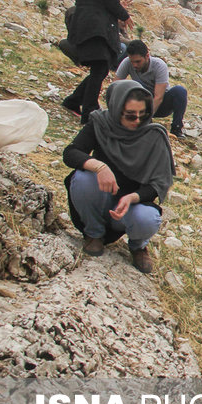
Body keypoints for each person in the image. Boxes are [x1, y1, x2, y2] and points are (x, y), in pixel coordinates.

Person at [62, 80, 174, 274]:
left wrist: (132, 197)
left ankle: (138, 246)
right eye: (130, 116)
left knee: (147, 218)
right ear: (116, 108)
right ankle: (94, 234)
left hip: (129, 208)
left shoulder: (153, 135)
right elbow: (71, 153)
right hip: (101, 198)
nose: (138, 121)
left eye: (144, 114)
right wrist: (99, 166)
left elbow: (158, 185)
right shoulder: (100, 123)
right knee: (82, 178)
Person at [61, 0, 132, 124]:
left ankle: (74, 101)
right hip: (99, 28)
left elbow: (95, 0)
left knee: (99, 69)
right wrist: (124, 14)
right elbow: (110, 1)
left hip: (83, 24)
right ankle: (88, 113)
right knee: (101, 68)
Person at [115, 40, 188, 138]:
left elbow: (158, 97)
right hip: (140, 104)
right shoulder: (127, 63)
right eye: (132, 62)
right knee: (132, 86)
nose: (134, 65)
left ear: (147, 56)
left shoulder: (159, 65)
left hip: (160, 104)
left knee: (180, 91)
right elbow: (115, 87)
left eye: (138, 61)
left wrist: (146, 118)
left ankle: (177, 128)